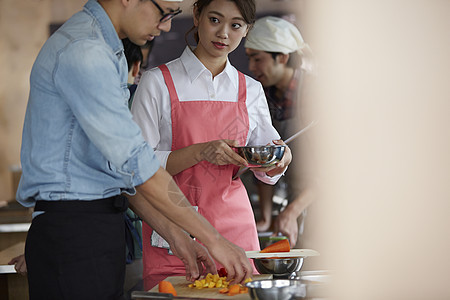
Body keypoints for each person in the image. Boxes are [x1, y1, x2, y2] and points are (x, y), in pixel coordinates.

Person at [16, 0, 254, 299]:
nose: (166, 25)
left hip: (95, 226)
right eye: (164, 12)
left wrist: (176, 235)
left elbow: (118, 172)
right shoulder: (85, 50)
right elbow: (137, 164)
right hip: (75, 230)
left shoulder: (106, 49)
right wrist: (214, 239)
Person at [131, 0, 292, 281]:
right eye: (215, 20)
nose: (223, 34)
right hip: (177, 232)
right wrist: (199, 152)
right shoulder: (157, 82)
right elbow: (135, 167)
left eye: (236, 25)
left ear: (247, 30)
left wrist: (278, 159)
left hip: (235, 228)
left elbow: (267, 172)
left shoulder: (250, 89)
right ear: (197, 15)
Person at [244, 16, 316, 247]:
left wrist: (291, 212)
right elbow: (264, 156)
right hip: (296, 202)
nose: (251, 68)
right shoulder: (265, 96)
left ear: (282, 57)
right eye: (250, 59)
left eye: (257, 59)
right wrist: (266, 216)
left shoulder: (317, 93)